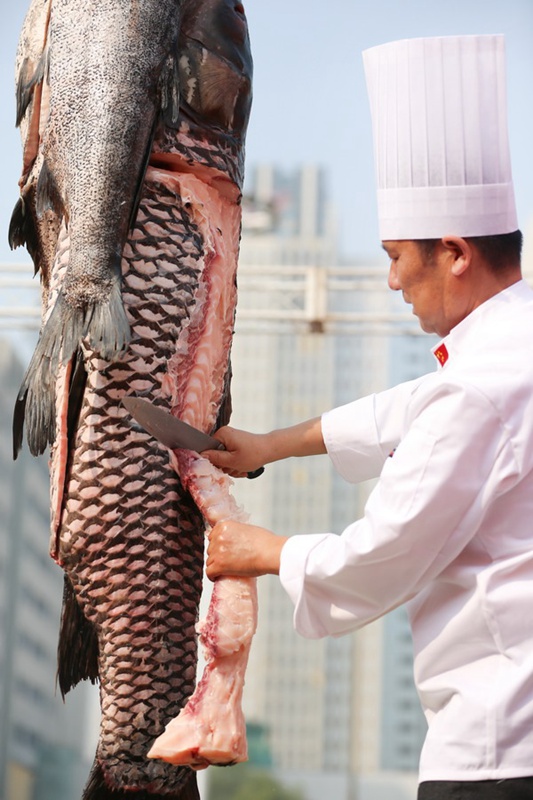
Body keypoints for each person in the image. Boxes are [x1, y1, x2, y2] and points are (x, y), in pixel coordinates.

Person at [205, 35, 533, 799]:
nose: (390, 280)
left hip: (497, 749)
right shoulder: (510, 350)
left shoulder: (482, 384)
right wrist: (269, 446)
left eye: (395, 255)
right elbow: (404, 410)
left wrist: (262, 550)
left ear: (452, 252)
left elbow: (383, 554)